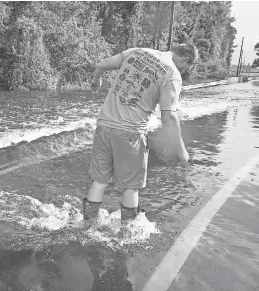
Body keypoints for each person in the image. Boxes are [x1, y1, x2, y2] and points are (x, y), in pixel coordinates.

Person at [82, 43, 198, 225]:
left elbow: (101, 64)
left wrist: (96, 80)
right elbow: (168, 118)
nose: (183, 71)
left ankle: (88, 225)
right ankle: (127, 232)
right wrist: (181, 149)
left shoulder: (137, 51)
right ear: (185, 59)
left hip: (104, 126)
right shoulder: (172, 74)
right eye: (186, 68)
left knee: (99, 181)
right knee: (131, 187)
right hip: (131, 134)